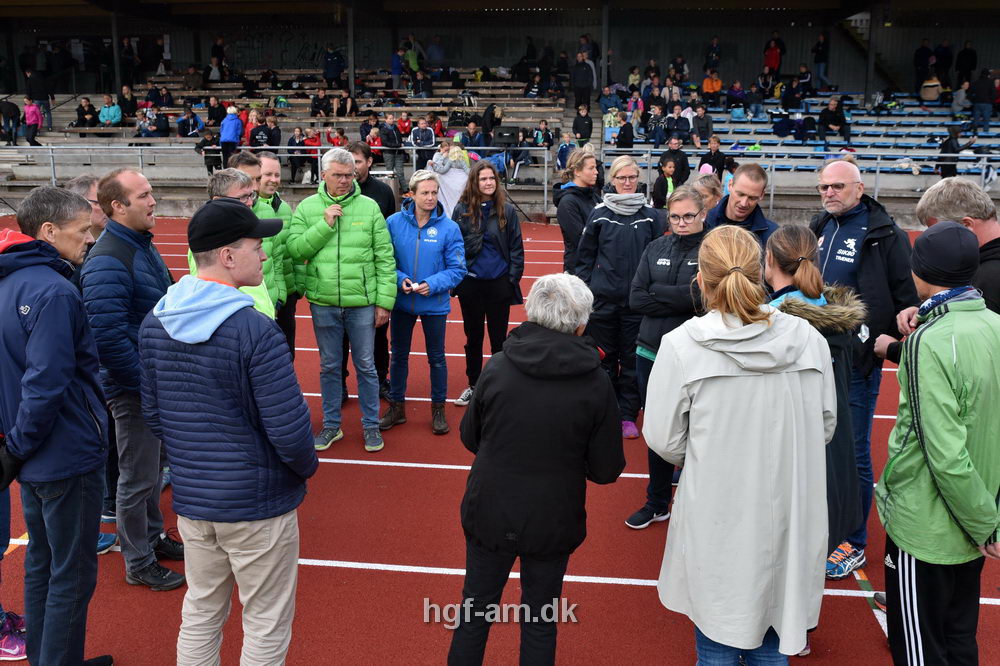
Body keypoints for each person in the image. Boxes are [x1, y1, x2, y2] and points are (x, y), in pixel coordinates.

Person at [644, 223, 835, 662]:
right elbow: (825, 425)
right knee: (775, 634)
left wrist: (713, 454)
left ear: (700, 280)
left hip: (718, 511)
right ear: (761, 270)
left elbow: (663, 437)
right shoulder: (808, 339)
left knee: (717, 637)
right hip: (791, 507)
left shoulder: (682, 346)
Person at [139, 196, 316, 666]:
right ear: (228, 255)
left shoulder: (155, 321)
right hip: (257, 504)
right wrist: (302, 470)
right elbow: (290, 431)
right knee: (265, 620)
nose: (264, 255)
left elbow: (154, 416)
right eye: (257, 246)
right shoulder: (254, 330)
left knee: (201, 608)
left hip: (196, 502)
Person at [448, 273, 625, 665]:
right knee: (541, 620)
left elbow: (469, 437)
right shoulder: (595, 384)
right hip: (553, 517)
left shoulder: (497, 367)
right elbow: (606, 469)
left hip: (490, 509)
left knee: (474, 614)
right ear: (581, 323)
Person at [874, 221, 1000, 666]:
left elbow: (943, 453)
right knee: (960, 637)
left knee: (919, 651)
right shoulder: (994, 324)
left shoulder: (928, 341)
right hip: (979, 512)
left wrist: (984, 521)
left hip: (927, 523)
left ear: (920, 269)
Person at [0, 187, 115, 666]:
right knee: (71, 573)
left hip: (31, 453)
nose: (89, 239)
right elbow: (46, 382)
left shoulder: (8, 283)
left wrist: (15, 447)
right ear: (48, 231)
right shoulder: (55, 290)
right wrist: (20, 445)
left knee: (42, 564)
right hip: (64, 451)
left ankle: (49, 657)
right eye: (82, 229)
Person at [809, 158, 919, 580]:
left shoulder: (883, 233)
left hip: (856, 361)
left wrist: (878, 339)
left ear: (859, 188)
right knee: (821, 446)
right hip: (817, 355)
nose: (829, 193)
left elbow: (903, 294)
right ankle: (829, 526)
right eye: (823, 187)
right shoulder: (821, 227)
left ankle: (853, 541)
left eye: (837, 186)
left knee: (852, 449)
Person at [80, 169, 185, 592]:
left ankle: (153, 537)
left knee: (152, 468)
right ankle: (137, 560)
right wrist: (146, 385)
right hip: (134, 387)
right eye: (144, 195)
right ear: (117, 207)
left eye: (152, 193)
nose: (153, 201)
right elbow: (106, 337)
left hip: (151, 381)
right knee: (137, 476)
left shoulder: (140, 245)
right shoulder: (108, 259)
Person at [765, 226, 864, 616]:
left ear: (769, 261)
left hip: (790, 449)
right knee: (810, 550)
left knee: (780, 551)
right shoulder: (832, 314)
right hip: (832, 446)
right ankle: (801, 627)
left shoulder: (774, 322)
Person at [287, 148, 396, 453]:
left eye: (349, 175)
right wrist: (324, 224)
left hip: (362, 303)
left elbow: (384, 258)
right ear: (323, 175)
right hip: (324, 302)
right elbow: (296, 250)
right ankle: (332, 426)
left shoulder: (369, 208)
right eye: (338, 175)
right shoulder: (308, 208)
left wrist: (384, 302)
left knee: (366, 365)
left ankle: (371, 426)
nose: (345, 180)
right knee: (330, 366)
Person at [625, 186, 707, 529]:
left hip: (696, 356)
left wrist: (659, 293)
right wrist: (684, 296)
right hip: (650, 351)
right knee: (659, 431)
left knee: (698, 431)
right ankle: (658, 502)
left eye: (688, 216)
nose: (681, 222)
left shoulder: (712, 250)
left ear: (703, 214)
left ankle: (699, 502)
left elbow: (705, 301)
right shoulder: (655, 245)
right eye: (675, 216)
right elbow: (636, 298)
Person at [576, 155, 665, 439]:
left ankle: (628, 414)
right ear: (612, 181)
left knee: (630, 360)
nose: (627, 183)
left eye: (632, 177)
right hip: (602, 302)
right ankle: (606, 410)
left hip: (636, 305)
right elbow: (584, 259)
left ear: (639, 179)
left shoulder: (651, 216)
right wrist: (588, 293)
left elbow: (657, 258)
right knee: (603, 359)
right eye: (621, 178)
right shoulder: (599, 214)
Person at [379, 170, 466, 435]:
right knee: (399, 356)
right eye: (425, 192)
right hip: (403, 302)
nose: (430, 197)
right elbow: (384, 260)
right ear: (412, 194)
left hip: (434, 304)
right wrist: (400, 279)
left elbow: (458, 268)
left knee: (437, 358)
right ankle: (397, 406)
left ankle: (438, 408)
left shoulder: (449, 227)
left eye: (434, 192)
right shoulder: (393, 223)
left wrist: (433, 284)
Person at [451, 160, 524, 407]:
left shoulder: (507, 210)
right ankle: (473, 384)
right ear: (475, 181)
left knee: (498, 339)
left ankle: (499, 386)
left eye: (491, 178)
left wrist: (510, 279)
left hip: (498, 284)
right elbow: (454, 247)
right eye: (483, 179)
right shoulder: (462, 209)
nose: (488, 182)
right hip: (471, 285)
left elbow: (516, 247)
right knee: (473, 337)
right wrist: (459, 279)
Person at [345, 141, 396, 398]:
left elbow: (388, 238)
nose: (353, 167)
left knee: (378, 335)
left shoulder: (383, 193)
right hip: (344, 277)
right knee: (341, 338)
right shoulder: (336, 191)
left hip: (372, 276)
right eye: (349, 160)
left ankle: (381, 380)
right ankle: (341, 383)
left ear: (369, 163)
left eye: (357, 161)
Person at [704, 163, 777, 246]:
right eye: (740, 194)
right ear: (730, 185)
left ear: (762, 195)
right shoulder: (702, 223)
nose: (744, 203)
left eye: (752, 198)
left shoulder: (772, 237)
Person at [555, 149, 600, 273]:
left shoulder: (594, 196)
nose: (596, 172)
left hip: (596, 266)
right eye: (591, 168)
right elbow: (581, 240)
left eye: (595, 168)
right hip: (578, 270)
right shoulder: (568, 202)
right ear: (577, 172)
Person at [970, 69, 995, 133]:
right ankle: (985, 133)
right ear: (988, 75)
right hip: (987, 103)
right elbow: (993, 93)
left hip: (977, 103)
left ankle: (974, 132)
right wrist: (991, 101)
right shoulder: (991, 82)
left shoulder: (976, 82)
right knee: (986, 119)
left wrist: (974, 101)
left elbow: (970, 94)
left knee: (976, 118)